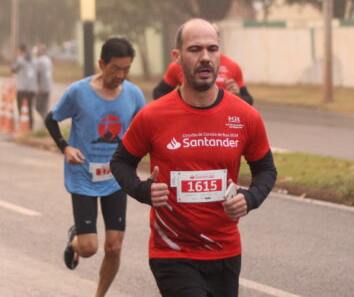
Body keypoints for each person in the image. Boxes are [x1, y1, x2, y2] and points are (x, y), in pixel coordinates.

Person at [111, 19, 277, 297]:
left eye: (212, 49)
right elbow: (120, 162)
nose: (205, 58)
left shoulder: (244, 115)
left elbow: (266, 170)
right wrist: (143, 190)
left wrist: (250, 198)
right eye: (195, 49)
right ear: (177, 57)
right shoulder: (154, 115)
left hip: (225, 251)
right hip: (172, 252)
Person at [45, 37, 146, 297]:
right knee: (89, 247)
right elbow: (51, 119)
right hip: (83, 177)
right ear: (102, 64)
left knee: (114, 246)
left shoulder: (134, 94)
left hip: (115, 177)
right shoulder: (78, 92)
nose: (121, 75)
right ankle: (74, 239)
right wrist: (65, 147)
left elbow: (145, 129)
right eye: (115, 69)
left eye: (126, 69)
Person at [152, 50, 253, 105]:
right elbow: (158, 92)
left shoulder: (232, 66)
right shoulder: (179, 65)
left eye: (211, 46)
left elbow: (249, 101)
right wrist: (178, 101)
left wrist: (237, 96)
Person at [11, 43, 37, 128]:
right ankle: (30, 126)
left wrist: (16, 58)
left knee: (21, 108)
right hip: (32, 88)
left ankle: (23, 125)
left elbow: (13, 69)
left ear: (20, 51)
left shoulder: (20, 60)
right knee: (29, 108)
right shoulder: (34, 59)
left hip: (22, 88)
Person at [33, 43, 53, 123]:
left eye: (38, 50)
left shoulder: (39, 61)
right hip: (48, 86)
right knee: (45, 107)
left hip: (41, 88)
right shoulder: (48, 60)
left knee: (38, 107)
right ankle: (47, 122)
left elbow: (36, 75)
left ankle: (47, 122)